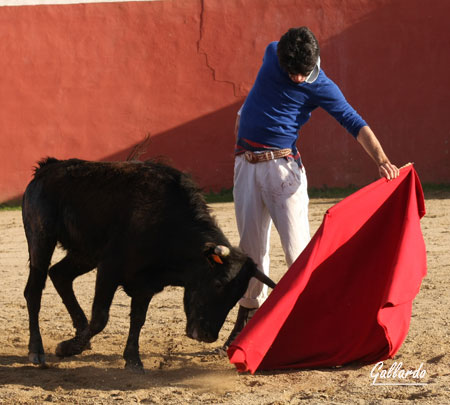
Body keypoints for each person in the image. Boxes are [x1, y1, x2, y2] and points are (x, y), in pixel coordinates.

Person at [221, 26, 399, 351]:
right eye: (293, 73)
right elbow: (258, 93)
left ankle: (311, 326)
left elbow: (353, 121)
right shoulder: (272, 52)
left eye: (304, 72)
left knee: (298, 254)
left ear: (315, 61)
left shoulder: (322, 85)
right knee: (250, 253)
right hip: (246, 165)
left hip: (282, 170)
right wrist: (242, 113)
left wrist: (382, 159)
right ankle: (246, 322)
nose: (300, 79)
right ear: (281, 60)